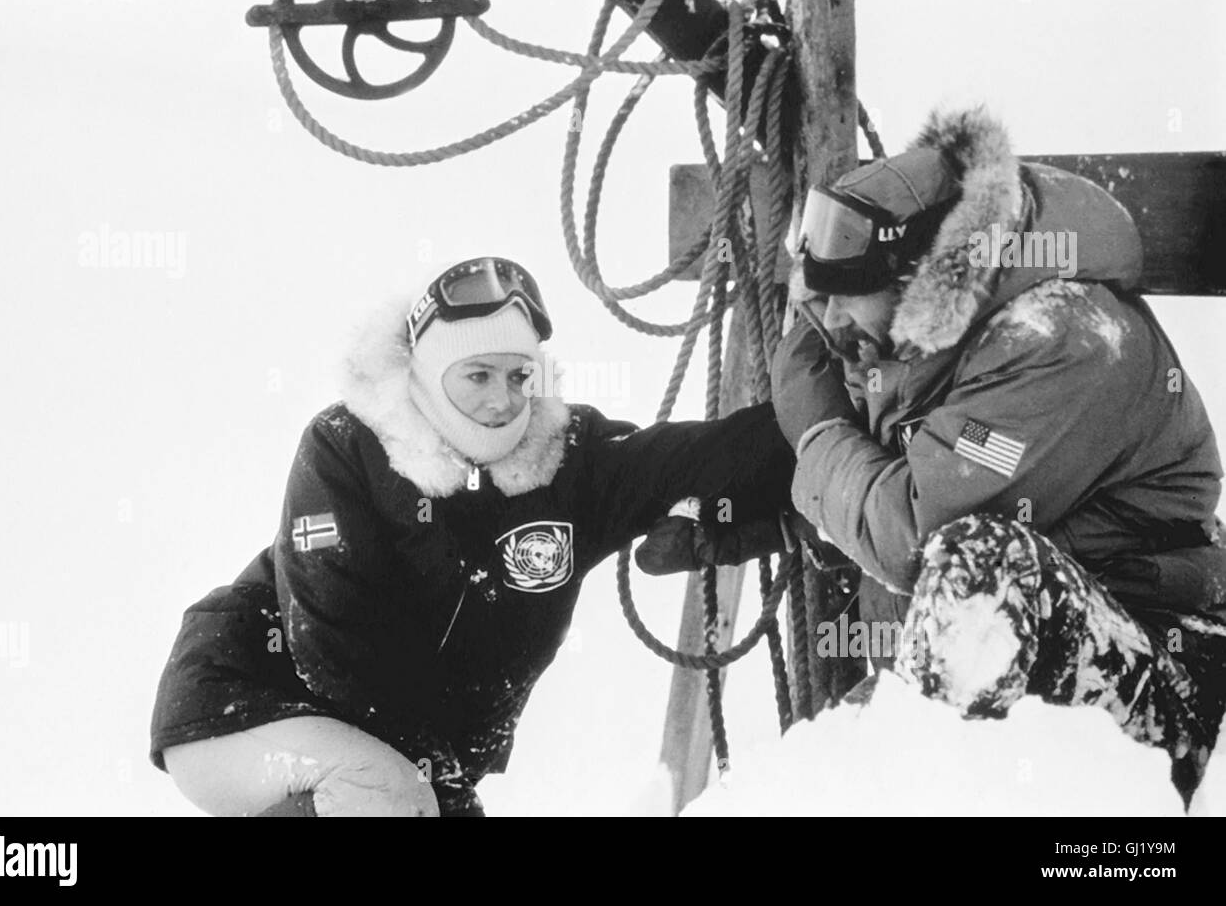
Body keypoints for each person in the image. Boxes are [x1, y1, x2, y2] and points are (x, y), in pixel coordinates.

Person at [643, 105, 1226, 805]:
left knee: (978, 561)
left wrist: (818, 435)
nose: (828, 323)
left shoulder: (1061, 340)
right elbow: (915, 464)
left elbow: (922, 536)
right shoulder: (926, 340)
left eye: (845, 299)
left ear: (925, 280)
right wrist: (770, 514)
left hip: (1163, 681)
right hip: (1009, 663)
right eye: (819, 299)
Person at [150, 255, 793, 816]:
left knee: (394, 792)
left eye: (518, 376)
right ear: (430, 374)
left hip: (410, 763)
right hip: (241, 708)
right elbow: (334, 650)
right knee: (379, 791)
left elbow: (707, 458)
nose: (502, 400)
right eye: (477, 375)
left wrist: (835, 424)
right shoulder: (351, 448)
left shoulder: (569, 462)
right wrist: (446, 788)